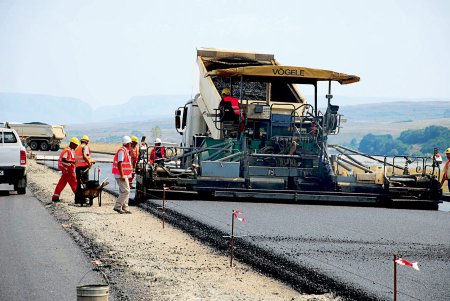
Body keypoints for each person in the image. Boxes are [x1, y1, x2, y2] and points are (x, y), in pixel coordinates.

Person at [51, 137, 80, 202]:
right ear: (71, 144)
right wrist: (72, 162)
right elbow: (64, 159)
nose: (76, 146)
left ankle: (55, 197)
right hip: (68, 171)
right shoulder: (67, 151)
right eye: (75, 145)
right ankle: (79, 198)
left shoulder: (69, 150)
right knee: (74, 184)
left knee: (61, 184)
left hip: (66, 171)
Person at [112, 136, 133, 214]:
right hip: (120, 175)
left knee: (125, 191)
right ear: (127, 143)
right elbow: (119, 163)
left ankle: (125, 207)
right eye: (130, 143)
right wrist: (122, 175)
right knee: (126, 191)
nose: (131, 145)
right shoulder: (122, 151)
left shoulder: (125, 150)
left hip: (124, 174)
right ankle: (117, 206)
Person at [74, 135, 95, 204]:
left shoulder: (77, 148)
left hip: (77, 168)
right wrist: (89, 163)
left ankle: (77, 199)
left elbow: (81, 158)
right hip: (83, 168)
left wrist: (90, 161)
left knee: (79, 184)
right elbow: (84, 155)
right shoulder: (85, 147)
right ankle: (83, 199)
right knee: (84, 183)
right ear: (87, 141)